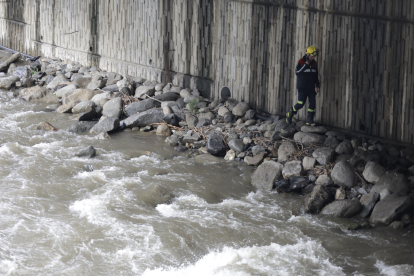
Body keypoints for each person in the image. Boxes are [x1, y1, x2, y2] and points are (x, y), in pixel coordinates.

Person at [286, 45, 320, 126]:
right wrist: (305, 65)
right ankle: (290, 113)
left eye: (314, 56)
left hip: (311, 87)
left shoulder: (314, 63)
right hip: (302, 87)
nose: (313, 57)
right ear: (307, 55)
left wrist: (317, 85)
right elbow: (297, 73)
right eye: (312, 56)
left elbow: (316, 75)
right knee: (301, 103)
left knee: (313, 103)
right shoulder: (300, 62)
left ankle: (309, 120)